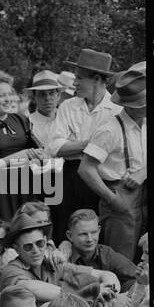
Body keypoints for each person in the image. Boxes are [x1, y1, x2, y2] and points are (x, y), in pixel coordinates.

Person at [46, 47, 118, 241]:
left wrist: (73, 144)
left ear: (96, 79)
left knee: (95, 234)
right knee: (65, 229)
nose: (74, 82)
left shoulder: (117, 110)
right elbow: (54, 147)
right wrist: (94, 144)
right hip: (69, 178)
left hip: (101, 179)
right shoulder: (69, 106)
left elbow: (115, 153)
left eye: (80, 78)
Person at [77, 62, 146, 259]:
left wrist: (143, 172)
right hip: (119, 196)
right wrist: (112, 199)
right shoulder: (109, 129)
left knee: (144, 256)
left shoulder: (148, 123)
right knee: (121, 258)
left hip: (143, 195)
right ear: (132, 106)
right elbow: (85, 169)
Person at [0, 71, 46, 221]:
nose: (8, 99)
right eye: (2, 95)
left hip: (26, 189)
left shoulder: (21, 120)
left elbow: (38, 149)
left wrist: (40, 156)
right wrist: (14, 159)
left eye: (10, 94)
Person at [60, 208, 139, 307]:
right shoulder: (63, 257)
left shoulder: (106, 253)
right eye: (83, 234)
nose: (90, 239)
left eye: (93, 232)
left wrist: (119, 296)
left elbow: (137, 275)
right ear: (69, 236)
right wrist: (112, 298)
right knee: (105, 301)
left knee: (140, 287)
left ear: (99, 230)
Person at [26, 69, 62, 148]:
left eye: (51, 93)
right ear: (34, 97)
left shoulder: (67, 119)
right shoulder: (28, 123)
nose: (47, 98)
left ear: (58, 95)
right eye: (42, 94)